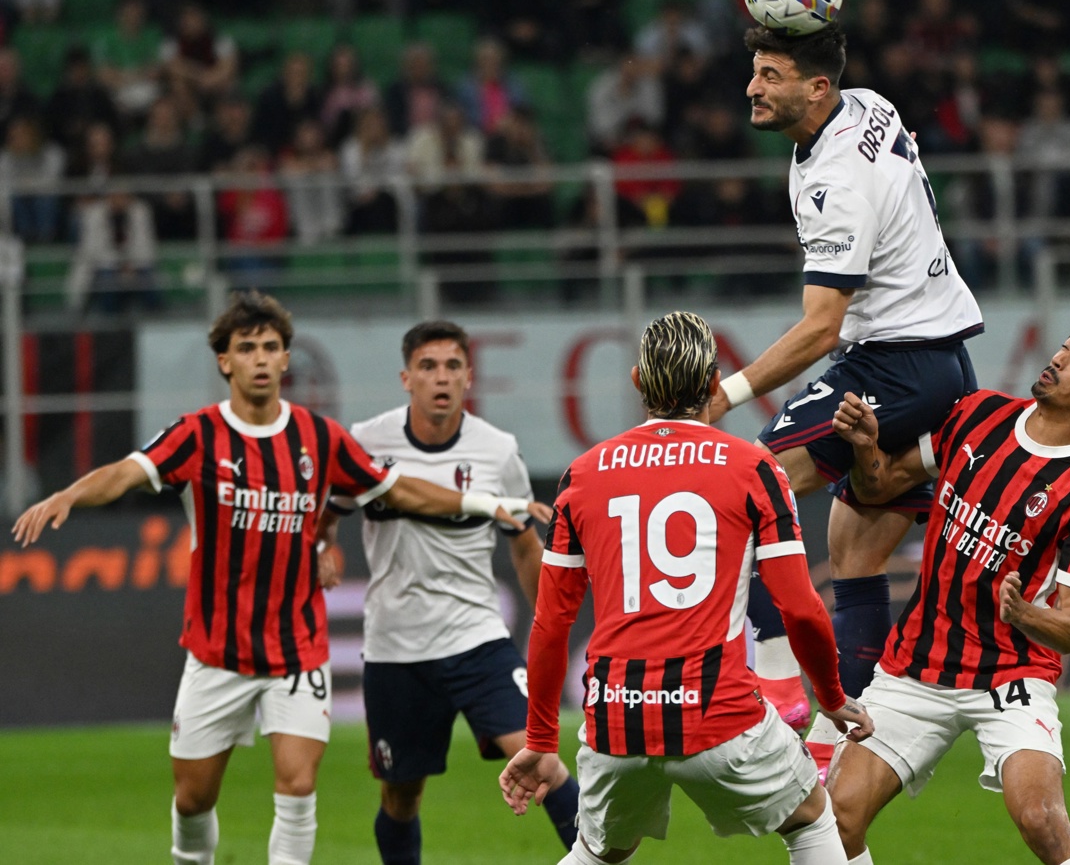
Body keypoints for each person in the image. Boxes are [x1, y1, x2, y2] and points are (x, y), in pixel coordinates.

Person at [11, 291, 549, 865]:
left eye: (271, 347)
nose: (261, 358)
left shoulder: (320, 438)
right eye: (247, 348)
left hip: (297, 651)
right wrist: (70, 494)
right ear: (225, 361)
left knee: (297, 786)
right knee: (193, 799)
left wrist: (484, 502)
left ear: (286, 358)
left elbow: (400, 490)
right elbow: (127, 472)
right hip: (217, 652)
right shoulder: (197, 434)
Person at [499, 311, 873, 865]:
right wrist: (833, 699)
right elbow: (799, 608)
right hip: (717, 714)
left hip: (616, 719)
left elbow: (551, 623)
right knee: (811, 819)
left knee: (599, 854)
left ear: (637, 380)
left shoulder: (582, 474)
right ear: (715, 382)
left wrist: (539, 739)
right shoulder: (754, 468)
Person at [708, 22, 984, 760]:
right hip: (943, 363)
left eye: (770, 75)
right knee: (854, 553)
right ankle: (839, 745)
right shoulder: (870, 105)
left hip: (894, 366)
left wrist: (725, 393)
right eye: (755, 72)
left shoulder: (837, 185)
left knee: (748, 493)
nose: (751, 88)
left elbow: (821, 327)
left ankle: (778, 683)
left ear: (816, 87)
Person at [825, 318, 1070, 865]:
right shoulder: (978, 414)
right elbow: (880, 485)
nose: (1058, 357)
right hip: (915, 666)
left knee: (1041, 821)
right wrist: (866, 447)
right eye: (1065, 346)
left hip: (1010, 674)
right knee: (837, 818)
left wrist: (1024, 613)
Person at [317, 319, 581, 865]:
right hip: (395, 648)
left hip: (477, 641)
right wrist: (324, 545)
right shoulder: (367, 441)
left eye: (453, 366)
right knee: (401, 797)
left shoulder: (497, 450)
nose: (441, 377)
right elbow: (328, 511)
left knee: (544, 763)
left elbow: (523, 546)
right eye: (428, 366)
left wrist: (548, 627)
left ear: (468, 376)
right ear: (406, 378)